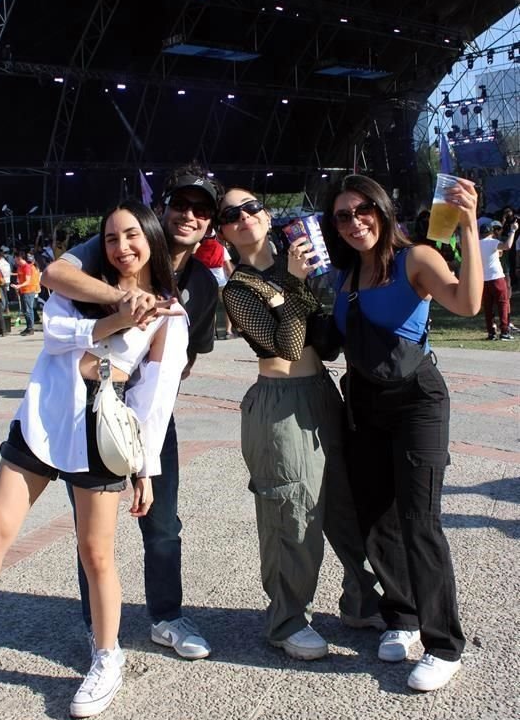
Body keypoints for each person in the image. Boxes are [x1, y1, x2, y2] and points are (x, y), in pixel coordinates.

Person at [0, 201, 188, 720]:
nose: (122, 247)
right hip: (41, 420)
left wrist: (145, 467)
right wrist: (118, 315)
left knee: (96, 553)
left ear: (151, 238)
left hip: (100, 433)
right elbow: (55, 334)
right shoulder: (78, 284)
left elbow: (154, 396)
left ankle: (108, 658)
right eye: (110, 238)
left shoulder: (171, 314)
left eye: (132, 235)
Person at [42, 163, 220, 659]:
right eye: (181, 204)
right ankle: (94, 625)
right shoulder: (113, 245)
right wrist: (126, 300)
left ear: (211, 222)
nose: (189, 215)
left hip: (152, 412)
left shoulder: (203, 282)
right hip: (88, 407)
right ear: (160, 208)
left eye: (201, 209)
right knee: (92, 528)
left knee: (162, 520)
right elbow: (55, 273)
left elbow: (187, 358)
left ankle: (166, 616)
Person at [322, 173, 482, 691]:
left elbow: (467, 303)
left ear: (383, 210)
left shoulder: (414, 259)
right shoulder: (346, 276)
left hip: (416, 401)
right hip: (364, 402)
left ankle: (444, 644)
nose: (354, 222)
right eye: (343, 215)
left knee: (419, 519)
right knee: (376, 516)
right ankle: (403, 615)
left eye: (362, 209)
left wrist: (470, 225)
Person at [218, 187, 383, 661]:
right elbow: (287, 347)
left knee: (345, 503)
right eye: (232, 215)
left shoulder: (305, 259)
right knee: (292, 511)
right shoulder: (240, 288)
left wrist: (316, 284)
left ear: (267, 215)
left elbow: (324, 340)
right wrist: (292, 286)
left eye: (252, 207)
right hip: (279, 402)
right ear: (225, 232)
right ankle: (287, 619)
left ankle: (362, 599)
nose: (244, 216)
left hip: (322, 393)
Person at [478, 219, 518, 341]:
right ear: (491, 232)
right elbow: (507, 246)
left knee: (488, 307)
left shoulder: (476, 244)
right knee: (502, 304)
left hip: (483, 279)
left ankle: (491, 332)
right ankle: (504, 331)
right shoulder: (492, 242)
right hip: (496, 278)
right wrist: (513, 230)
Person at [12, 251, 40, 335]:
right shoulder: (19, 267)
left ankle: (31, 328)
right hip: (22, 290)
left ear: (19, 258)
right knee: (25, 310)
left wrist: (19, 286)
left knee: (28, 309)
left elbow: (28, 281)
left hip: (29, 290)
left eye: (16, 259)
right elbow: (19, 278)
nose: (15, 260)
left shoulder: (27, 267)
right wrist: (17, 286)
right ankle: (28, 327)